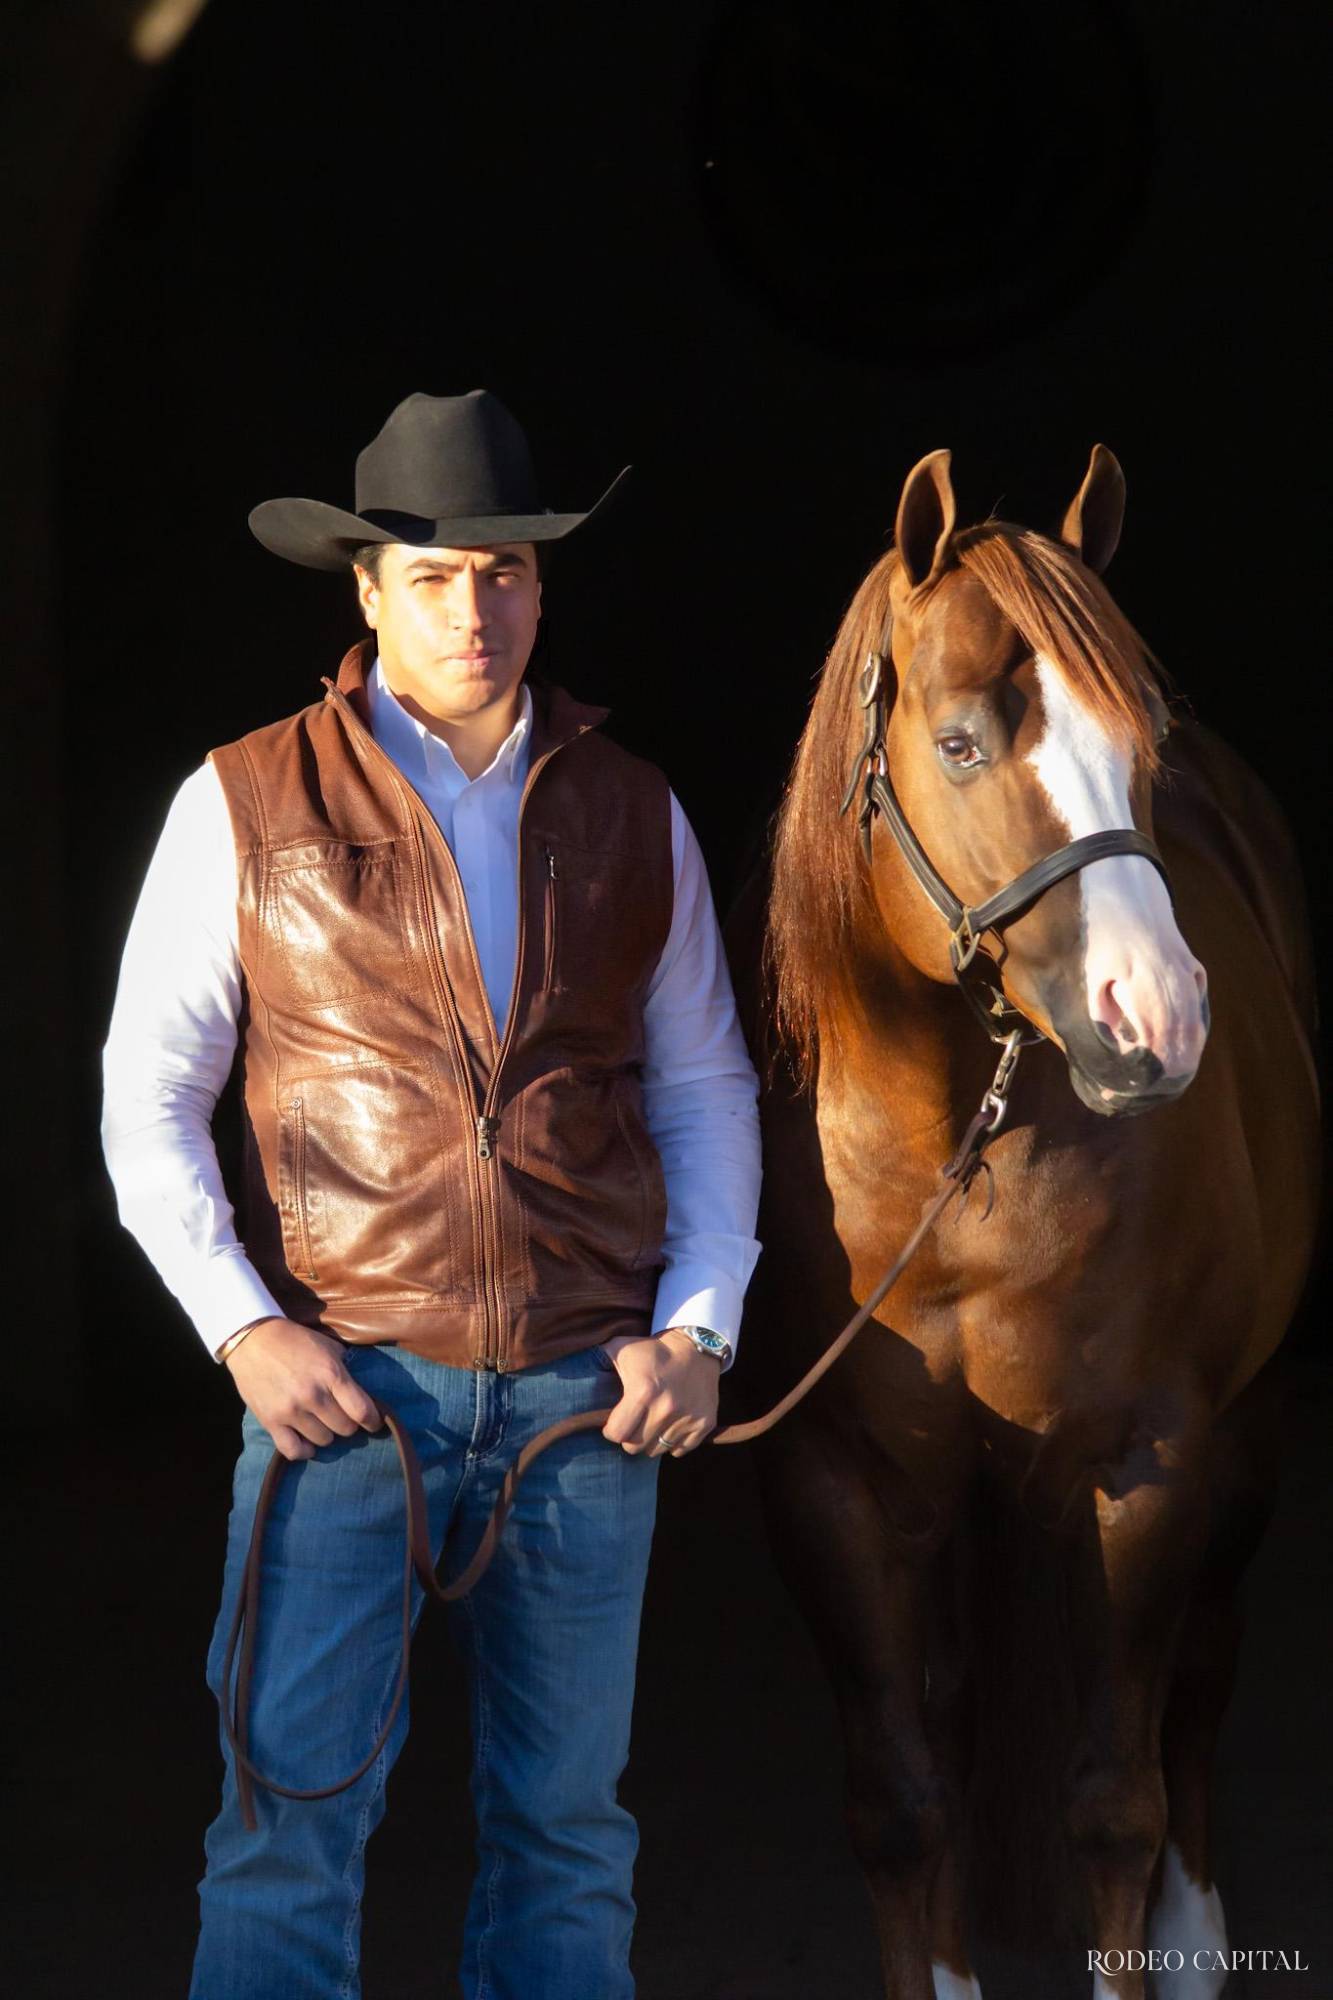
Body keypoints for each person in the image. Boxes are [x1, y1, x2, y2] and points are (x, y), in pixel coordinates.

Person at [100, 388, 763, 2000]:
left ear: (542, 584)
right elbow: (150, 1098)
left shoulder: (631, 808)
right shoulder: (244, 800)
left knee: (565, 1836)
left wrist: (698, 1328)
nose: (478, 606)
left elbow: (697, 1087)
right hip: (349, 1392)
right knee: (287, 1829)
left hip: (578, 1404)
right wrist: (244, 1330)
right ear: (369, 591)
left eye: (508, 572)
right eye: (438, 575)